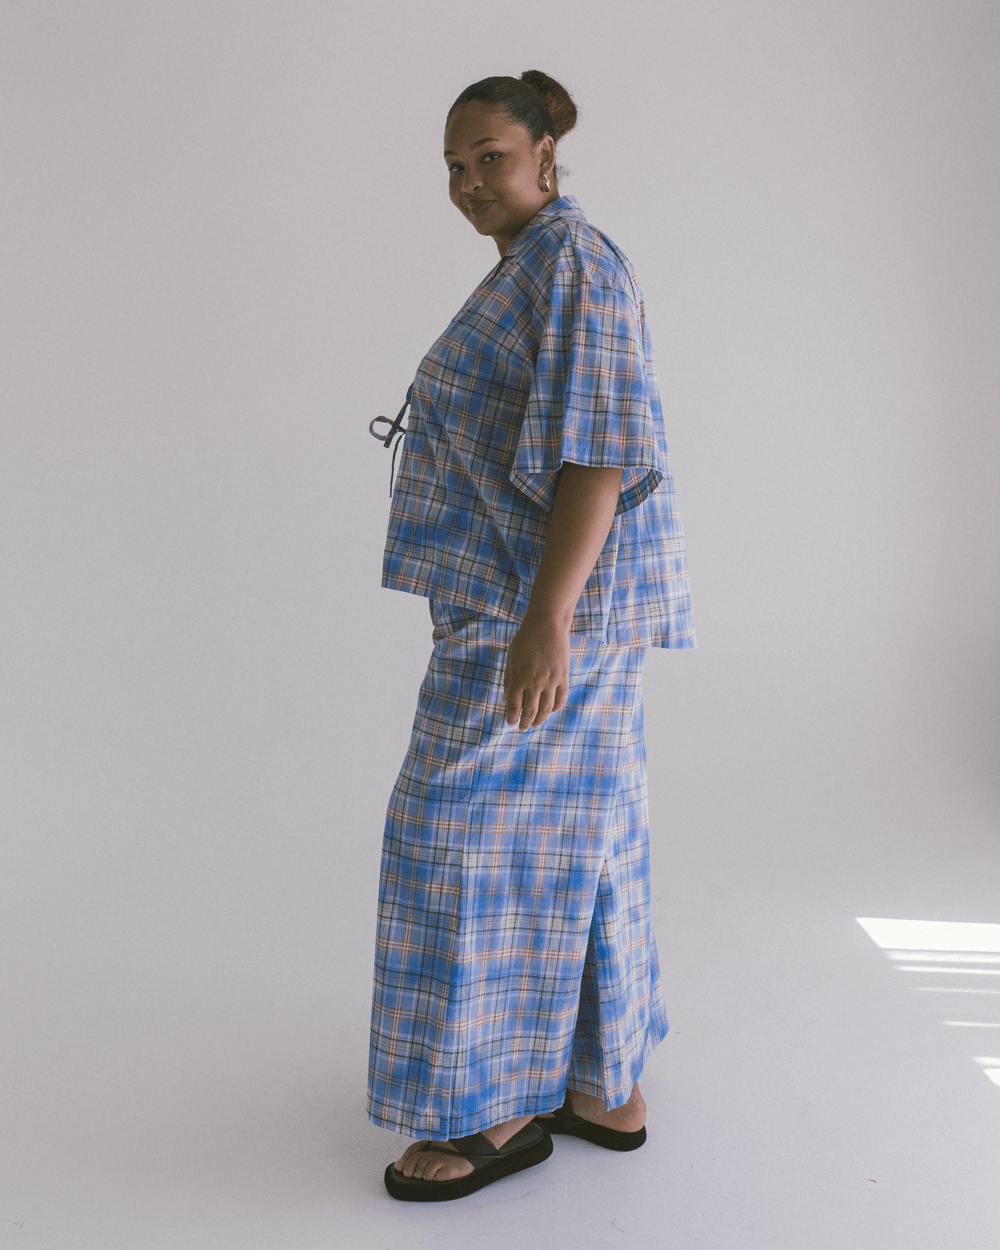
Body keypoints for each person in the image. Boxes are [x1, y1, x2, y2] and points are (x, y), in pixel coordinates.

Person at [367, 71, 696, 1203]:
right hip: (528, 605)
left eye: (491, 157)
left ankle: (494, 1108)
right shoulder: (535, 266)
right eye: (454, 166)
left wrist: (546, 620)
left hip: (541, 611)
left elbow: (600, 453)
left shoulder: (575, 267)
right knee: (577, 835)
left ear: (546, 154)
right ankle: (602, 1086)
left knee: (456, 837)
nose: (469, 182)